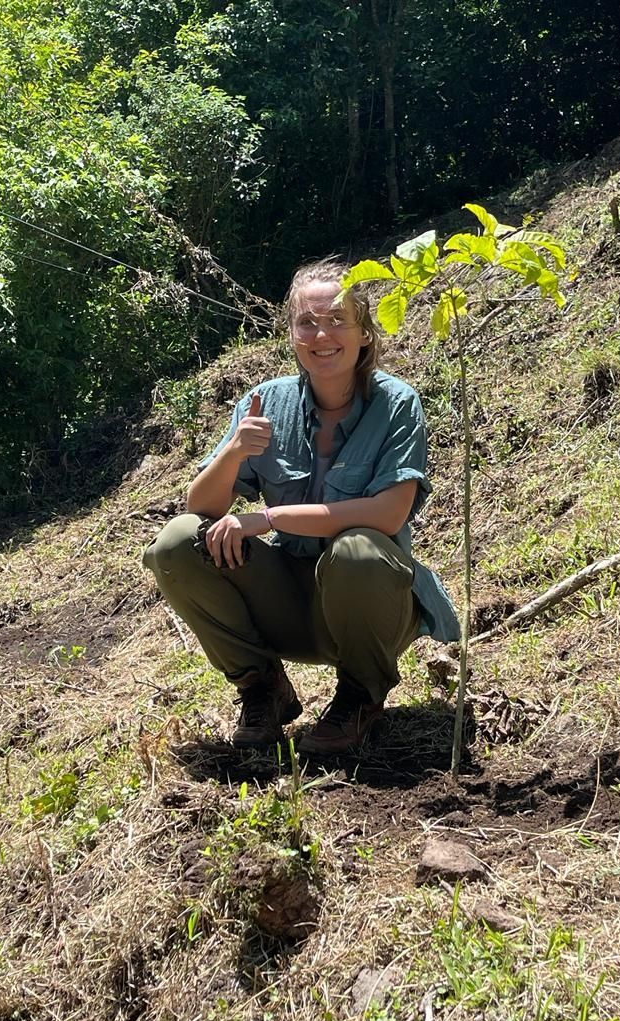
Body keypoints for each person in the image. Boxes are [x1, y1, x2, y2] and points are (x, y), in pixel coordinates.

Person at [143, 258, 459, 756]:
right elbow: (200, 507)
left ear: (364, 334)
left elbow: (387, 514)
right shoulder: (265, 402)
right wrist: (233, 453)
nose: (322, 335)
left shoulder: (397, 403)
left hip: (372, 604)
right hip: (291, 601)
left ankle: (359, 695)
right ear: (291, 334)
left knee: (358, 549)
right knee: (180, 542)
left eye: (337, 321)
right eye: (307, 322)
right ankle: (263, 687)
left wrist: (266, 518)